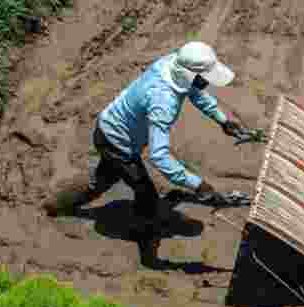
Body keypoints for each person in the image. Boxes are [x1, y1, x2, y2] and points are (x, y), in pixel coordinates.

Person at [43, 41, 248, 265]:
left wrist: (223, 120)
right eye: (205, 77)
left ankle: (56, 205)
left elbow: (195, 92)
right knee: (147, 196)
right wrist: (196, 183)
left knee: (101, 181)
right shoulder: (164, 101)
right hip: (117, 144)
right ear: (189, 74)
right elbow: (159, 156)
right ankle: (146, 244)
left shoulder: (172, 63)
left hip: (110, 128)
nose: (208, 81)